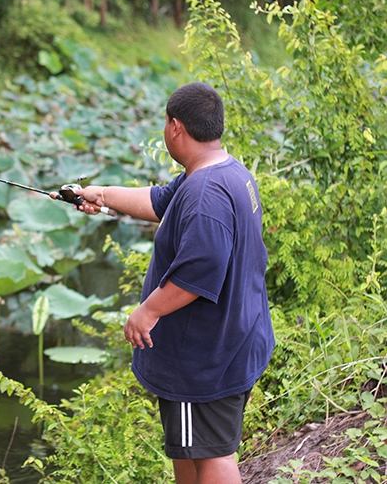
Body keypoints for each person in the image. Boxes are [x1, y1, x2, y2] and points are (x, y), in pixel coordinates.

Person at [67, 82, 275, 483]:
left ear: (176, 127)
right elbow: (159, 201)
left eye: (165, 123)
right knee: (195, 447)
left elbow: (199, 274)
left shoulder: (204, 195)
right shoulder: (224, 173)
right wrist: (101, 194)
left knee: (212, 456)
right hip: (235, 339)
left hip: (202, 358)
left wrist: (147, 312)